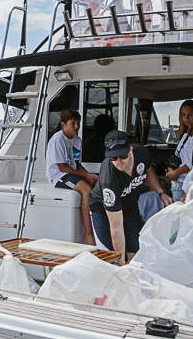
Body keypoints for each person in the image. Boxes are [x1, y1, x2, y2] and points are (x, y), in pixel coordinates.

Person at [89, 130, 172, 263]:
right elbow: (116, 226)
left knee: (136, 254)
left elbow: (148, 170)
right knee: (109, 256)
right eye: (113, 157)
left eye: (122, 155)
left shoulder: (142, 153)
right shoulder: (109, 179)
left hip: (129, 207)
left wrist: (161, 193)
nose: (119, 161)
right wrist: (122, 266)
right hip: (104, 210)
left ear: (130, 150)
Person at [45, 108, 97, 245]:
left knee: (96, 186)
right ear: (63, 124)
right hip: (58, 176)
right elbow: (62, 167)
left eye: (78, 122)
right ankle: (88, 234)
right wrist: (84, 177)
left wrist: (88, 175)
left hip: (71, 173)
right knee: (87, 190)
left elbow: (76, 164)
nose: (77, 126)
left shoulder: (77, 140)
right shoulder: (57, 140)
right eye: (73, 123)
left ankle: (98, 230)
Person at [165, 100, 193, 200]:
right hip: (178, 180)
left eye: (190, 114)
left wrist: (174, 173)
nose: (187, 118)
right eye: (183, 115)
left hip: (187, 182)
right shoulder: (184, 134)